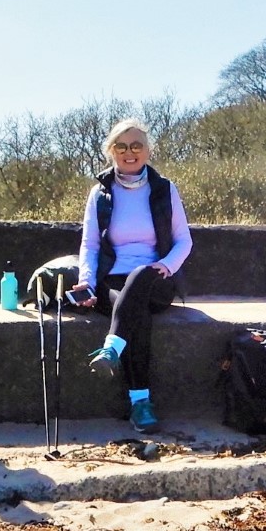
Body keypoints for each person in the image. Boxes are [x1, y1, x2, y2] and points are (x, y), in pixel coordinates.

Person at [68, 119, 193, 433]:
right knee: (136, 315)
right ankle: (141, 403)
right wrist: (87, 281)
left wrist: (167, 265)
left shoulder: (165, 189)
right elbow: (90, 244)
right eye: (121, 146)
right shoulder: (100, 193)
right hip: (113, 281)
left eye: (136, 145)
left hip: (156, 278)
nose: (129, 152)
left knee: (139, 277)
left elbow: (184, 240)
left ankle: (111, 347)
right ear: (111, 151)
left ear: (148, 151)